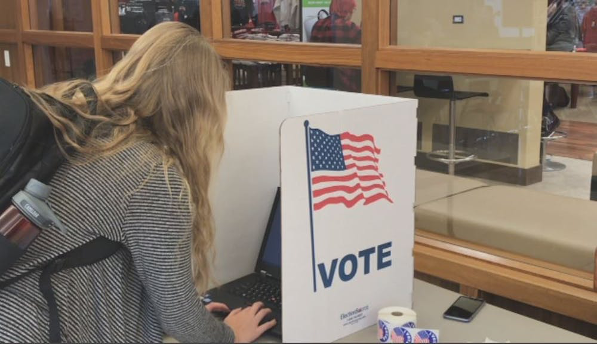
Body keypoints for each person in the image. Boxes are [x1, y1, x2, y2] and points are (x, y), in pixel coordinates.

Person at [0, 22, 276, 343]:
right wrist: (229, 335)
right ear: (197, 108)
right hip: (39, 327)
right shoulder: (147, 173)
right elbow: (179, 317)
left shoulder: (79, 120)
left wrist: (190, 313)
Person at [308, 0, 361, 92]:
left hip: (318, 81)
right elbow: (367, 48)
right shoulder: (350, 27)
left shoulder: (317, 24)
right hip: (343, 83)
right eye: (351, 10)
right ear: (347, 11)